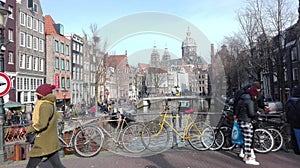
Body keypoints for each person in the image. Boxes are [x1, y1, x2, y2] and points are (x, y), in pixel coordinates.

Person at [21, 84, 65, 168]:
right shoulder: (50, 103)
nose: (36, 96)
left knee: (30, 166)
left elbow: (42, 124)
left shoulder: (45, 106)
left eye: (38, 95)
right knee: (57, 165)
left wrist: (25, 130)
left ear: (42, 95)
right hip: (50, 141)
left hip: (43, 141)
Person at [235, 82, 260, 165]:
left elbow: (236, 111)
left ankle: (245, 156)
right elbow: (251, 113)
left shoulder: (241, 99)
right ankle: (248, 158)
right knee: (248, 140)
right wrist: (257, 114)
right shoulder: (250, 101)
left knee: (245, 140)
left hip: (240, 121)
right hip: (247, 121)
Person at [285, 87, 300, 155]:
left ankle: (297, 150)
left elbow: (288, 113)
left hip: (294, 123)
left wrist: (288, 120)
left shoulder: (289, 101)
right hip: (297, 122)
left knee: (296, 138)